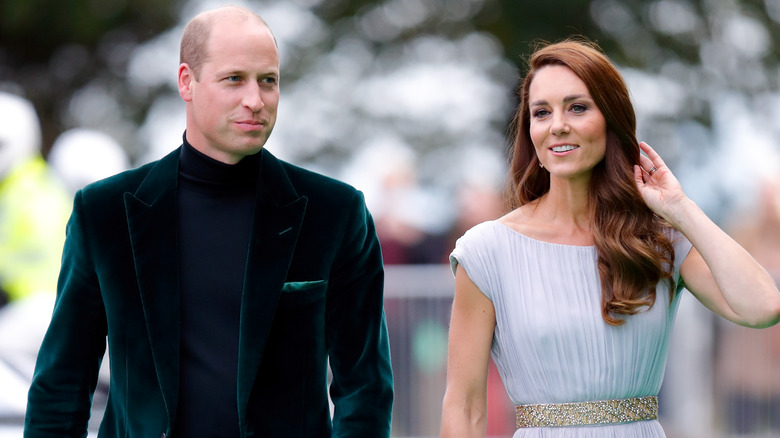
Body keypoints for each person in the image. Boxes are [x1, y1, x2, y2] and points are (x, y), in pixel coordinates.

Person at [24, 6, 393, 437]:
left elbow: (365, 387)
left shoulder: (335, 212)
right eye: (234, 78)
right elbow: (62, 383)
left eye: (268, 81)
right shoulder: (105, 213)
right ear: (187, 82)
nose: (255, 100)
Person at [439, 39, 780, 437]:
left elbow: (763, 307)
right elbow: (463, 407)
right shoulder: (486, 251)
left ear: (611, 119)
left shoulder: (658, 240)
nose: (558, 125)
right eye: (542, 112)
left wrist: (681, 208)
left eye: (577, 107)